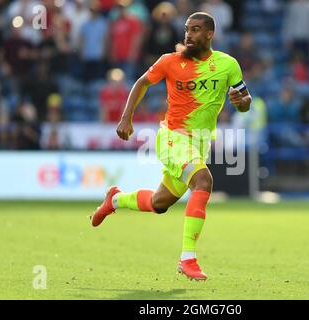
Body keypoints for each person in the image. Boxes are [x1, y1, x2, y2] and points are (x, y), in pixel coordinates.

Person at [90, 12, 251, 281]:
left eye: (196, 30)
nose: (189, 34)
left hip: (200, 142)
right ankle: (187, 258)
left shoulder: (228, 64)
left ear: (210, 34)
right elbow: (142, 82)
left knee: (159, 203)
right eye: (187, 29)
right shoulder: (170, 61)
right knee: (203, 181)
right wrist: (126, 117)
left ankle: (115, 199)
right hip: (172, 138)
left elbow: (245, 102)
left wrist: (240, 102)